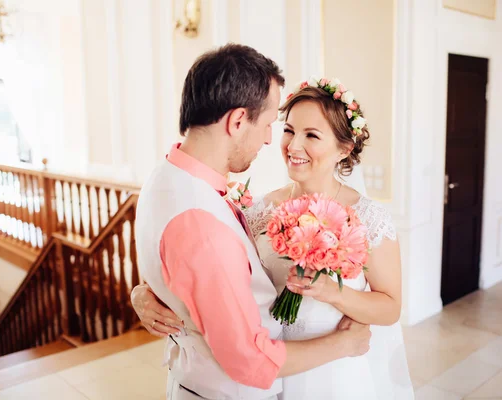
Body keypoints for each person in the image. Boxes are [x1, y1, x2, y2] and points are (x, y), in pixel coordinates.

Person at [134, 44, 372, 400]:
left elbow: (180, 263)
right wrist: (346, 343)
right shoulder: (200, 223)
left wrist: (150, 290)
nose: (268, 139)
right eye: (270, 124)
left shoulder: (166, 176)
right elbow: (249, 360)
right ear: (237, 120)